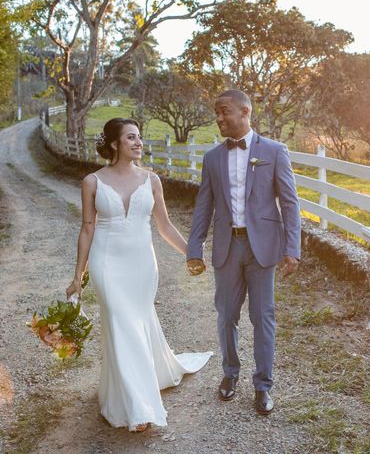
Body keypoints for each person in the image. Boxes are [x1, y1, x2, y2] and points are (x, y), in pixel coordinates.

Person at [66, 118, 212, 432]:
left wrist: (192, 254)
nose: (139, 142)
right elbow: (87, 228)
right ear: (115, 144)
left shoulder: (151, 179)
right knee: (120, 325)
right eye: (131, 137)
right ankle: (138, 407)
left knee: (138, 321)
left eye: (140, 137)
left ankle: (140, 382)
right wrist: (78, 275)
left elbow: (164, 226)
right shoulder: (92, 182)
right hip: (107, 262)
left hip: (143, 264)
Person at [186, 89, 301, 415]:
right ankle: (230, 374)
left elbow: (291, 204)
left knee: (263, 318)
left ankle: (263, 386)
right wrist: (195, 248)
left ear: (245, 111)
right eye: (216, 113)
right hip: (227, 246)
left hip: (264, 247)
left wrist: (292, 248)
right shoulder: (212, 158)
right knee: (226, 315)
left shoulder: (275, 152)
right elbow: (203, 206)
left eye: (224, 111)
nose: (219, 118)